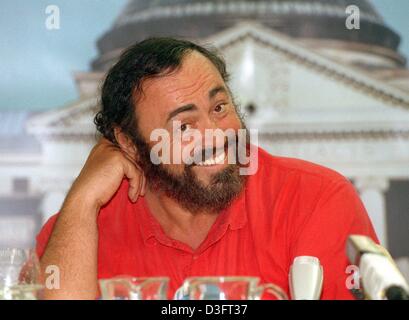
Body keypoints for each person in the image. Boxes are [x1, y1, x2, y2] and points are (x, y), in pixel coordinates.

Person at [36, 37, 378, 300]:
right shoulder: (82, 226)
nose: (216, 135)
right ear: (128, 144)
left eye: (219, 107)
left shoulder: (316, 199)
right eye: (184, 126)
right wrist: (82, 200)